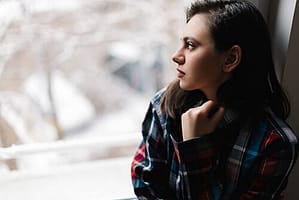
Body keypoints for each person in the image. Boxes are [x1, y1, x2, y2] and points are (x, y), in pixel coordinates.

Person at [131, 0, 298, 199]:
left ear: (230, 59)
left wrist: (195, 147)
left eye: (190, 45)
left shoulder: (275, 144)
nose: (176, 56)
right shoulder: (163, 105)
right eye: (181, 43)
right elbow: (145, 184)